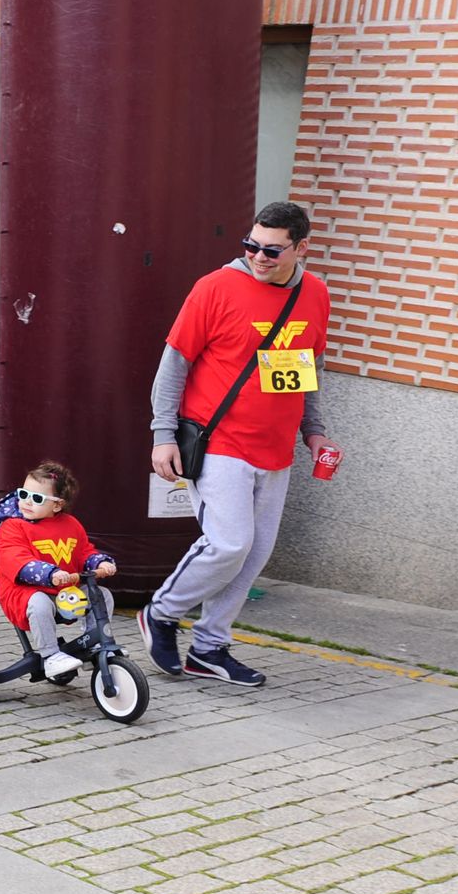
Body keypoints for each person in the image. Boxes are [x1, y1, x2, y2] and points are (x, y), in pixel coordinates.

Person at [139, 201, 338, 688]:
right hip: (219, 441)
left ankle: (209, 647)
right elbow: (174, 366)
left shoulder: (315, 294)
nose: (259, 256)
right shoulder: (215, 287)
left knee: (253, 554)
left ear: (301, 248)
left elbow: (303, 372)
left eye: (272, 250)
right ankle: (161, 613)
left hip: (276, 450)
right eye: (251, 245)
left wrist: (314, 430)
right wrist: (163, 435)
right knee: (228, 544)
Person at [0, 462, 118, 677]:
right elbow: (16, 559)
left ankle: (94, 643)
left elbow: (83, 552)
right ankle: (50, 656)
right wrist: (50, 574)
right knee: (39, 602)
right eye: (23, 494)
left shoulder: (71, 524)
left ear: (57, 505)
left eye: (37, 498)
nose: (27, 502)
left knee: (102, 595)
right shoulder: (13, 526)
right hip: (23, 594)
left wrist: (99, 563)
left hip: (65, 593)